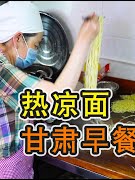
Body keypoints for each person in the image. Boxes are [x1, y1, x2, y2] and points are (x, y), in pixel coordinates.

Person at [0, 1, 99, 179]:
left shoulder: (7, 66)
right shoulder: (1, 70)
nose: (35, 53)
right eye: (36, 45)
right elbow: (58, 97)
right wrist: (84, 39)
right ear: (17, 39)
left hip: (18, 161)